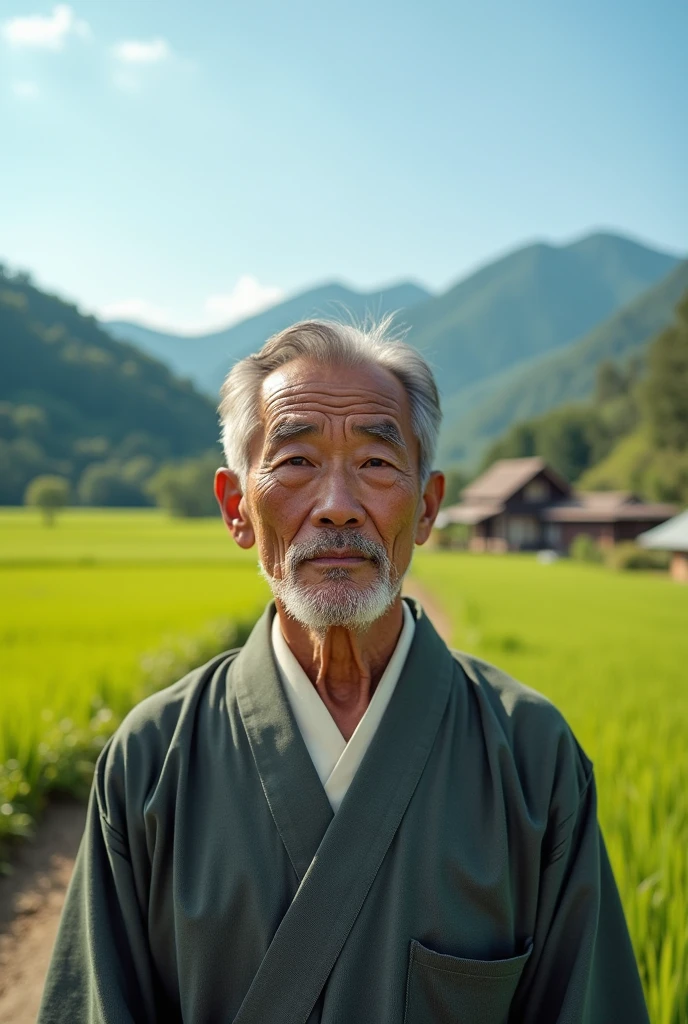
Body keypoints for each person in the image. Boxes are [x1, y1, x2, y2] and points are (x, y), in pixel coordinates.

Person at [38, 319, 649, 1023]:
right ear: (237, 508)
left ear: (426, 507)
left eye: (377, 463)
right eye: (296, 461)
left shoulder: (532, 759)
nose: (335, 506)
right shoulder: (150, 763)